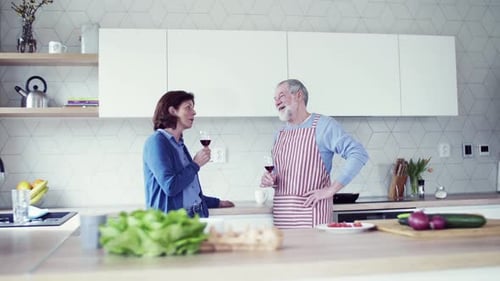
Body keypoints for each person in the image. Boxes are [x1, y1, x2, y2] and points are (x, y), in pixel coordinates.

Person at [260, 79, 369, 229]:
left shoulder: (324, 126)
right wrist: (271, 179)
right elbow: (283, 174)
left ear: (298, 95)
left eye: (281, 96)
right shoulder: (280, 133)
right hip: (282, 216)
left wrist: (331, 190)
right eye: (275, 99)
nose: (277, 102)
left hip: (314, 215)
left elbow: (358, 154)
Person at [143, 90, 234, 217]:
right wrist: (195, 164)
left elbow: (189, 190)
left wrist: (217, 202)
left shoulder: (179, 144)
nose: (194, 112)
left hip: (195, 216)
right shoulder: (157, 142)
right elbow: (171, 186)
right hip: (171, 223)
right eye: (188, 107)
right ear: (172, 111)